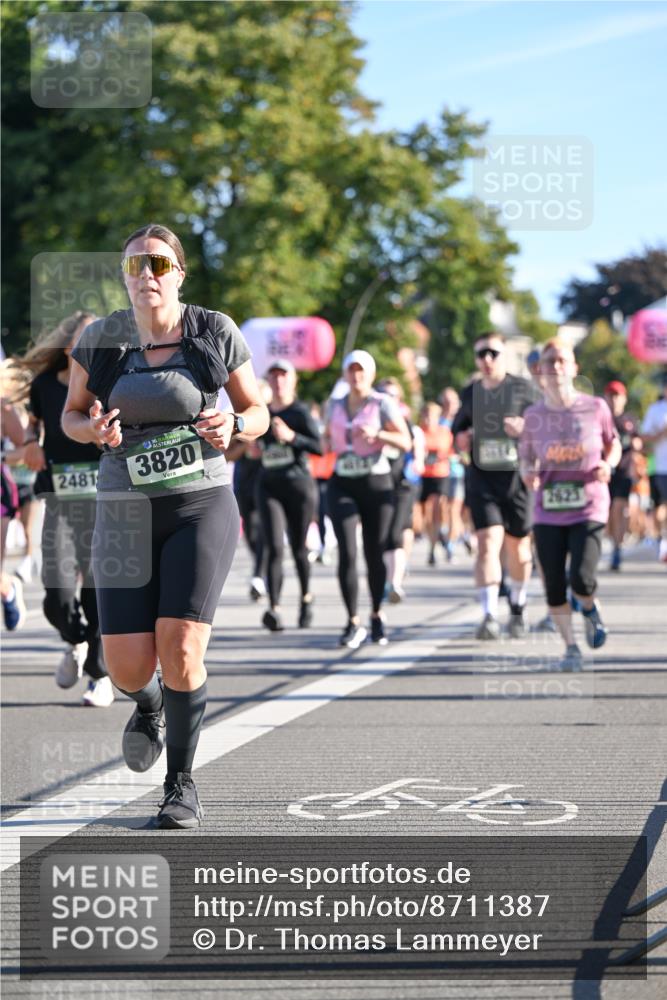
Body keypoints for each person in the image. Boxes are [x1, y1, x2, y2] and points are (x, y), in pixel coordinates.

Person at [62, 223, 268, 828]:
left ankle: (180, 786)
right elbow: (73, 417)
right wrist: (92, 432)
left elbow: (256, 410)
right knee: (125, 665)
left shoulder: (212, 331)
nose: (145, 276)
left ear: (179, 272)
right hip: (124, 509)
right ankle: (148, 706)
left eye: (157, 264)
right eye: (133, 266)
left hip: (199, 505)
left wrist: (235, 426)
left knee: (180, 648)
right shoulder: (102, 339)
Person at [14, 311, 113, 706]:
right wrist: (30, 445)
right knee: (55, 594)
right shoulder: (44, 386)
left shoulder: (110, 385)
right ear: (68, 345)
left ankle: (98, 676)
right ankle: (74, 641)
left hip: (108, 505)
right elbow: (27, 434)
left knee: (99, 594)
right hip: (59, 500)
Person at [519, 339, 621, 671]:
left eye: (563, 360)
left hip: (589, 503)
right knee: (553, 584)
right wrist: (528, 473)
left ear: (575, 368)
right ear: (540, 372)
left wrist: (609, 464)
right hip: (548, 508)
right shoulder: (533, 416)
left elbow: (613, 443)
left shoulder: (595, 407)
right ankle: (571, 647)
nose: (557, 367)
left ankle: (590, 608)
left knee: (581, 578)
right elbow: (525, 457)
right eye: (550, 362)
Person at [451, 332, 538, 640]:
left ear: (504, 356)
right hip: (481, 477)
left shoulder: (523, 389)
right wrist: (460, 439)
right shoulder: (471, 392)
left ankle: (517, 604)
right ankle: (489, 614)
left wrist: (526, 428)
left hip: (517, 479)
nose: (487, 360)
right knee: (487, 544)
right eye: (481, 354)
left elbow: (545, 426)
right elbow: (458, 430)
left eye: (493, 353)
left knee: (519, 547)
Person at [325, 350, 411, 647]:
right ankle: (352, 621)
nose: (356, 375)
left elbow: (405, 441)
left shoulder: (382, 403)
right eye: (351, 370)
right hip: (342, 483)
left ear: (371, 374)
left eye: (362, 370)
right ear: (345, 374)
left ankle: (376, 614)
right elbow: (327, 440)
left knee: (374, 551)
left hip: (376, 481)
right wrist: (325, 443)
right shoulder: (333, 404)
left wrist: (379, 435)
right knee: (347, 551)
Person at [255, 359, 322, 631]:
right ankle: (274, 608)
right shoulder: (262, 413)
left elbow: (319, 446)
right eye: (273, 377)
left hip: (298, 486)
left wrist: (291, 437)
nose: (278, 381)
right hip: (269, 485)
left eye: (283, 376)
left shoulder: (300, 412)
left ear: (293, 381)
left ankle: (306, 598)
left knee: (298, 547)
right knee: (273, 546)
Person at [376, 376, 423, 603]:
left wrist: (417, 463)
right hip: (380, 485)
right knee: (385, 535)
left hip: (404, 485)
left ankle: (394, 584)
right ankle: (391, 577)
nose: (389, 401)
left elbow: (418, 454)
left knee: (396, 532)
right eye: (384, 396)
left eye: (393, 396)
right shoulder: (372, 424)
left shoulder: (410, 428)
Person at [227, 378, 272, 602]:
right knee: (252, 533)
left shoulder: (273, 420)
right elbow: (227, 455)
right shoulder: (239, 421)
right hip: (243, 481)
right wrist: (245, 443)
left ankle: (259, 574)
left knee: (264, 529)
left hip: (266, 483)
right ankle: (260, 568)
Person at [603, 380, 643, 571]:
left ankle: (617, 549)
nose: (614, 399)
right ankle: (611, 541)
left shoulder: (630, 419)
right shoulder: (601, 418)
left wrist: (637, 444)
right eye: (611, 395)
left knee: (619, 508)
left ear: (624, 398)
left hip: (624, 471)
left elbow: (639, 439)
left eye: (617, 395)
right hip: (604, 471)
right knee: (608, 513)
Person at [1, 394, 26, 630]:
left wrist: (2, 457)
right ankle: (6, 586)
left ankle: (6, 587)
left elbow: (23, 448)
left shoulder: (2, 406)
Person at [418, 402, 452, 565]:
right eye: (425, 415)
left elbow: (450, 452)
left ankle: (442, 535)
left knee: (439, 507)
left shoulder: (444, 432)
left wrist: (441, 456)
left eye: (431, 416)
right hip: (423, 475)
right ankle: (432, 545)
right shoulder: (419, 432)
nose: (428, 419)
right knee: (426, 514)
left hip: (440, 474)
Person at [640, 371, 667, 563]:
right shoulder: (655, 409)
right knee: (659, 508)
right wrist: (662, 433)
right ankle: (661, 539)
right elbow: (644, 437)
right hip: (659, 467)